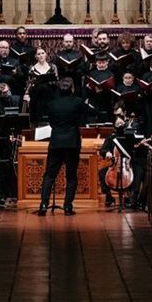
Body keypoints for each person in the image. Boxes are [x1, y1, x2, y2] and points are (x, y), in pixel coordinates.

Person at [36, 78, 98, 216]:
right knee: (71, 176)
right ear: (72, 89)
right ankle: (68, 207)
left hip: (56, 142)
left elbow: (51, 122)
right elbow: (94, 113)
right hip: (72, 143)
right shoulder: (77, 101)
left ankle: (43, 205)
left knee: (49, 175)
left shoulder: (52, 104)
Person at [25, 47, 58, 125]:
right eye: (38, 54)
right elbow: (30, 84)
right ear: (36, 56)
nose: (41, 55)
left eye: (42, 53)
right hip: (37, 97)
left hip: (50, 95)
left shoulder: (53, 66)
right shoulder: (32, 68)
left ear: (46, 54)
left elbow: (56, 81)